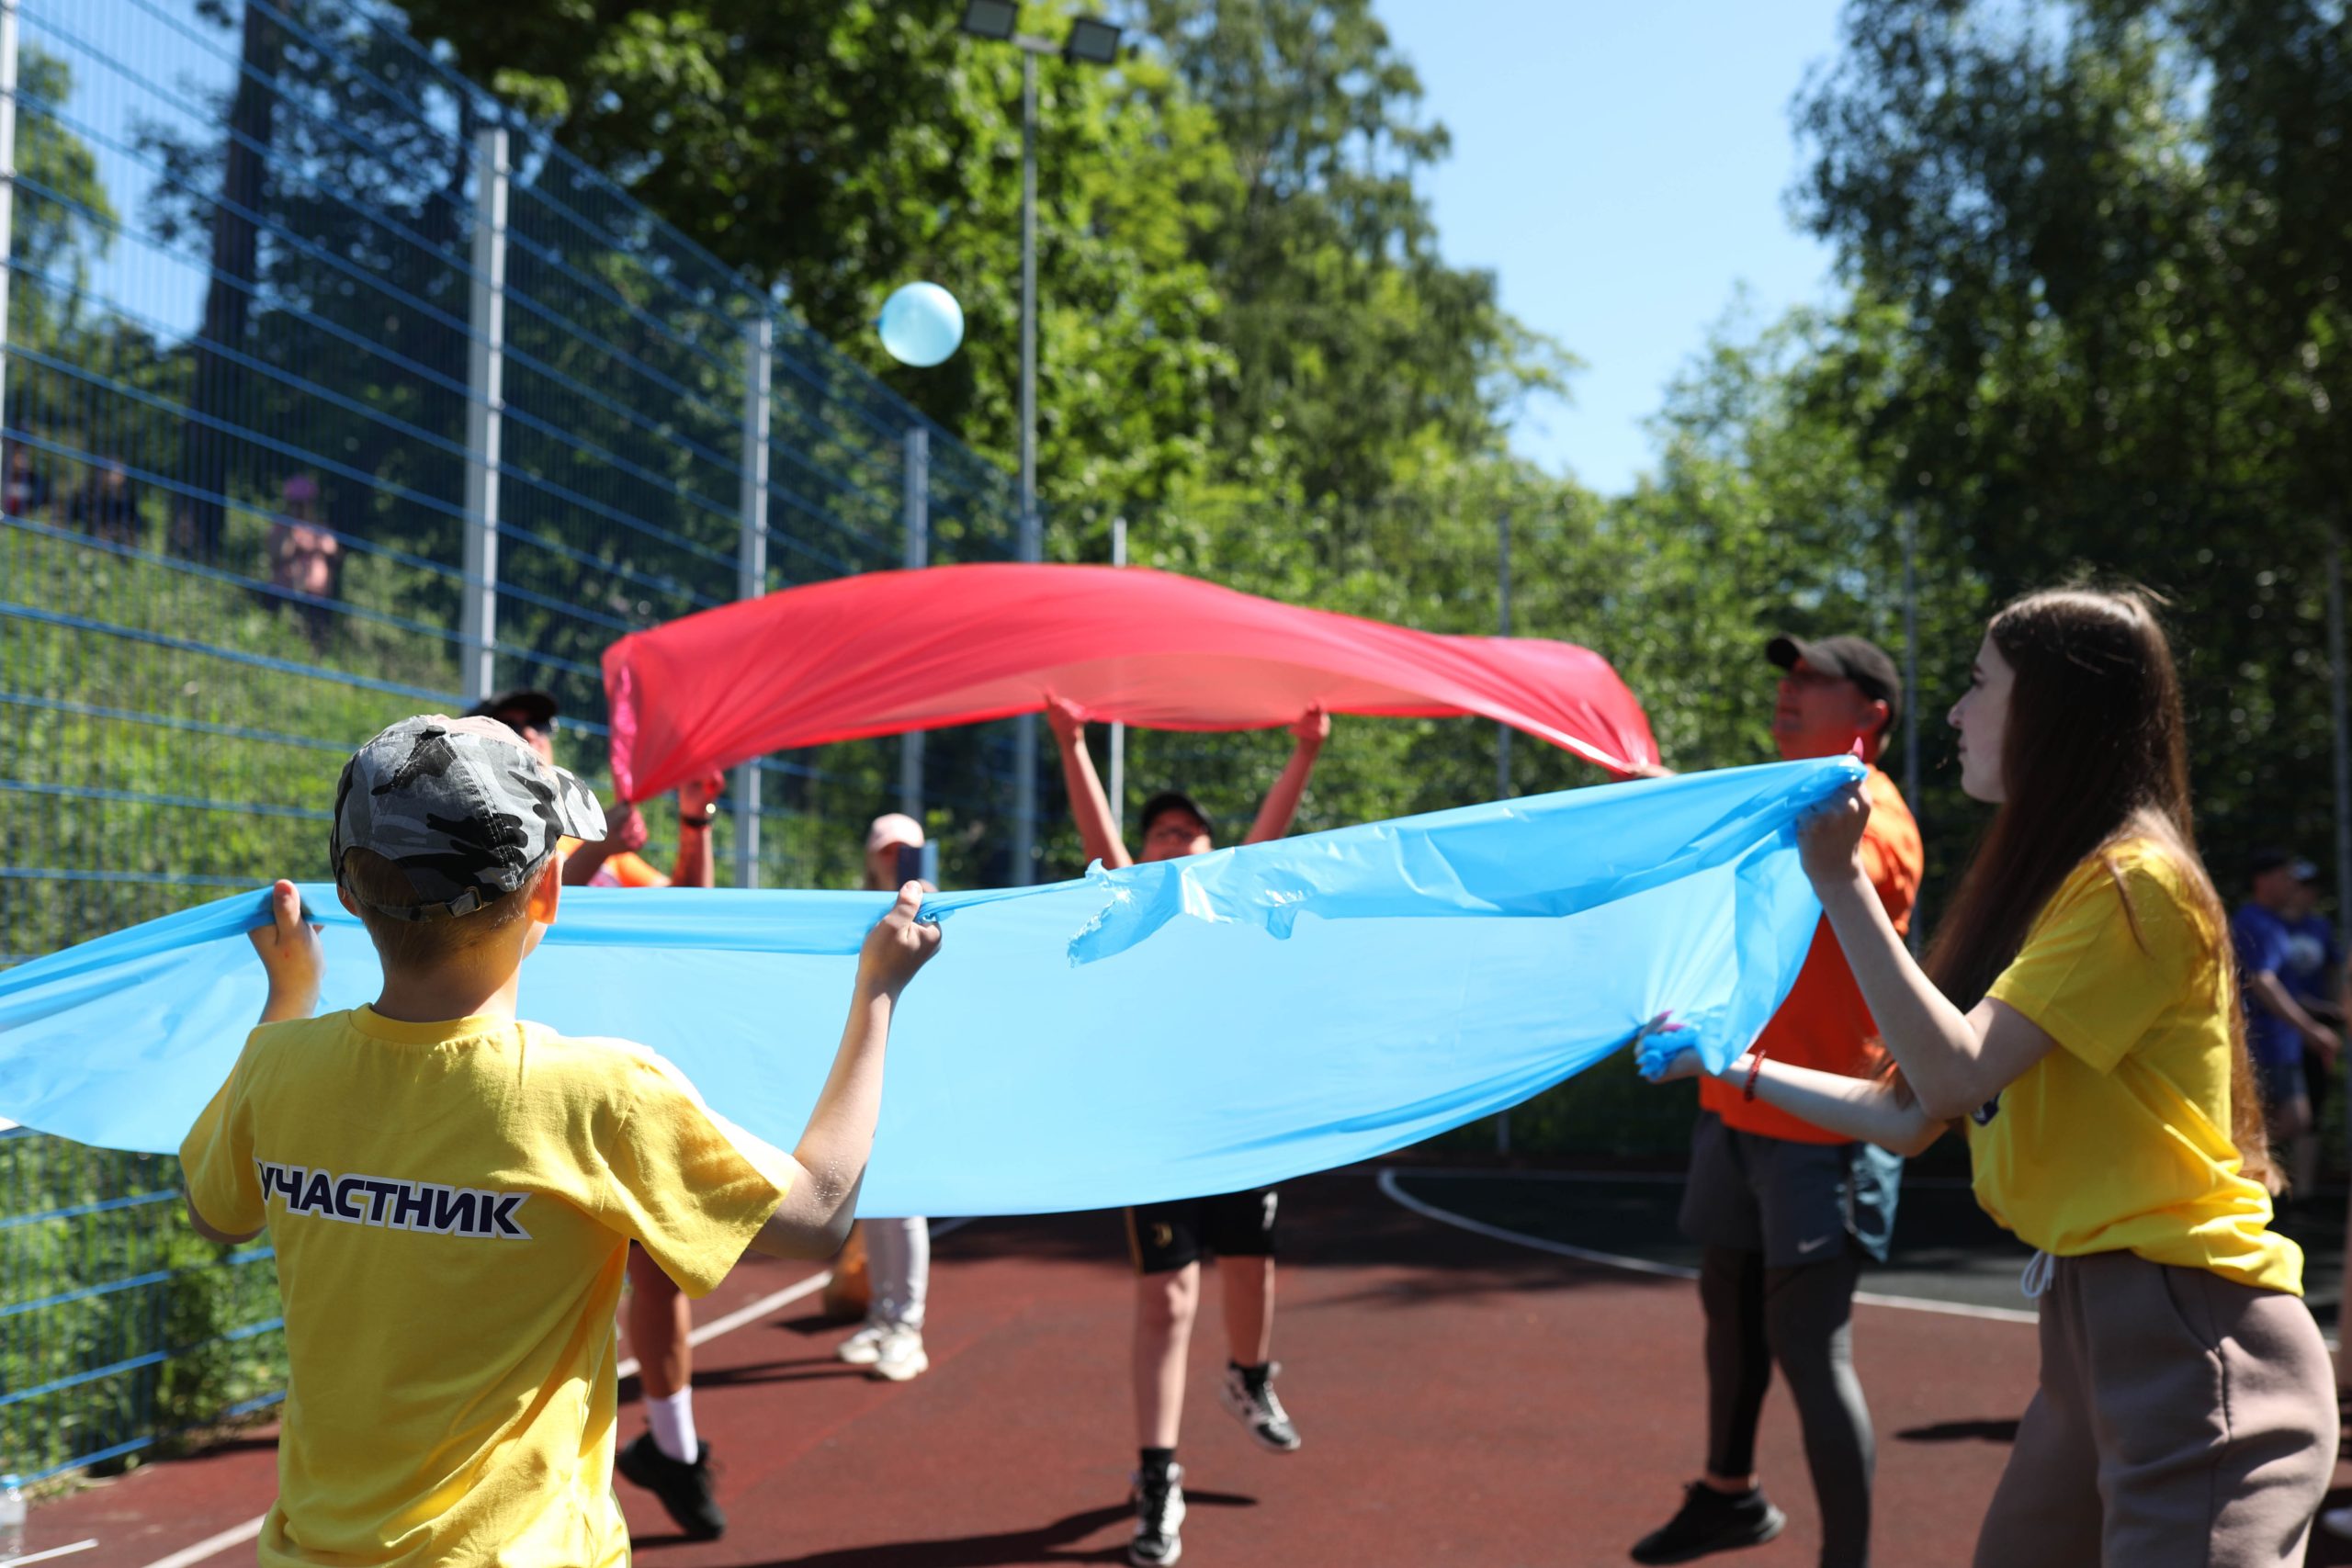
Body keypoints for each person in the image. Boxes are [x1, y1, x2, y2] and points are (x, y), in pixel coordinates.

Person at [1645, 586, 2334, 1567]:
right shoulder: (2076, 885)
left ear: (2053, 712)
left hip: (2190, 1335)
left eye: (1979, 684)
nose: (1957, 712)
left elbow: (1952, 1079)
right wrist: (1729, 1065)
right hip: (2091, 1331)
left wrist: (1838, 879)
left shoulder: (2137, 885)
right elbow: (1906, 1114)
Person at [177, 713, 939, 1565]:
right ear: (547, 893)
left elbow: (215, 1212)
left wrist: (288, 995)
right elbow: (821, 1212)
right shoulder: (600, 1092)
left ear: (349, 896)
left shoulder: (278, 1064)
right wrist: (879, 990)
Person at [1631, 635, 1920, 1568]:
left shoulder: (1873, 815)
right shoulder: (1786, 797)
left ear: (1870, 713)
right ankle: (1730, 1495)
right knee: (1732, 1320)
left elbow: (1811, 867)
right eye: (1786, 678)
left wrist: (1674, 807)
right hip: (1736, 1108)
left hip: (1826, 1128)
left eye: (1812, 680)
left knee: (1808, 1346)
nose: (1788, 692)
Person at [1046, 695, 1328, 1568]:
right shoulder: (1133, 906)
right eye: (1161, 831)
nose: (1176, 839)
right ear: (1146, 851)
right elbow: (1098, 834)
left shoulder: (1230, 904)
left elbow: (1270, 834)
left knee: (1251, 1269)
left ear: (1212, 848)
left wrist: (1305, 751)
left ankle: (1249, 1377)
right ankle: (1157, 1475)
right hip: (1160, 1139)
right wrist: (1072, 740)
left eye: (1190, 831)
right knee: (1168, 1299)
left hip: (1238, 1129)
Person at [466, 688, 734, 1537]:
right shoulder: (469, 836)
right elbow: (515, 920)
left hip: (605, 1089)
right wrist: (598, 853)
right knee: (520, 1289)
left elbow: (688, 907)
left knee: (659, 1268)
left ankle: (674, 1449)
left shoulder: (584, 836)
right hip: (516, 1094)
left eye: (541, 728)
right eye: (517, 729)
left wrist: (694, 820)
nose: (536, 738)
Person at [833, 812, 939, 1383]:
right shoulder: (855, 913)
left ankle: (907, 1328)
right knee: (870, 1194)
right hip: (867, 1063)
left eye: (906, 851)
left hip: (911, 1068)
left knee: (904, 1199)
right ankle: (882, 1317)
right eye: (886, 850)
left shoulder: (939, 911)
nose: (894, 860)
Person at [2231, 850, 2339, 1198]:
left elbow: (2287, 987)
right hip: (2262, 1040)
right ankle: (2230, 1168)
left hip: (2283, 1041)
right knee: (2283, 1120)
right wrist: (2310, 1029)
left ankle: (2242, 1172)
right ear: (2263, 881)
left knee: (2294, 1120)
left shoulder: (2276, 923)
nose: (2293, 884)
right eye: (2285, 876)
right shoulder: (2255, 921)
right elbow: (2262, 982)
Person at [266, 474, 340, 647]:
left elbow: (334, 552)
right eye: (295, 503)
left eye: (304, 503)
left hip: (316, 596)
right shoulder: (281, 527)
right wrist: (291, 532)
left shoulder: (321, 528)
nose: (300, 508)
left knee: (316, 642)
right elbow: (278, 555)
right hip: (284, 593)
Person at [68, 457, 141, 547]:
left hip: (115, 534)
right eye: (115, 473)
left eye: (120, 474)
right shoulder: (90, 490)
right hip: (91, 530)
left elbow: (133, 522)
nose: (119, 477)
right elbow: (82, 512)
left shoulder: (126, 497)